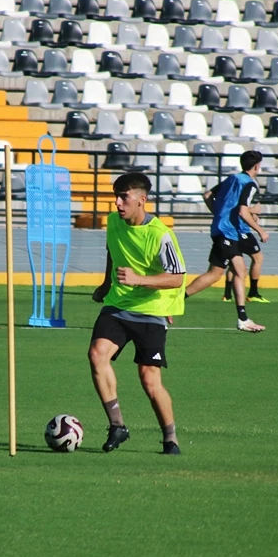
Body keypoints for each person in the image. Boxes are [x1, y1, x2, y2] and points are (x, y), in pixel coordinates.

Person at [89, 172, 186, 455]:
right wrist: (106, 284)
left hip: (151, 310)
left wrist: (139, 279)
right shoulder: (113, 222)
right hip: (119, 305)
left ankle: (170, 439)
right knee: (97, 354)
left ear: (142, 200)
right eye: (116, 197)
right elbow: (112, 250)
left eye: (124, 197)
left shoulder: (161, 235)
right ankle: (117, 425)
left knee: (149, 379)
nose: (118, 203)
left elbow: (177, 278)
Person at [183, 151, 267, 332]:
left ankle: (243, 317)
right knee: (226, 272)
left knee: (228, 272)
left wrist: (219, 216)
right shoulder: (250, 184)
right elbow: (243, 212)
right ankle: (176, 300)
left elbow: (207, 195)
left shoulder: (232, 178)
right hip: (228, 232)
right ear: (256, 166)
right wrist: (260, 230)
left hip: (224, 230)